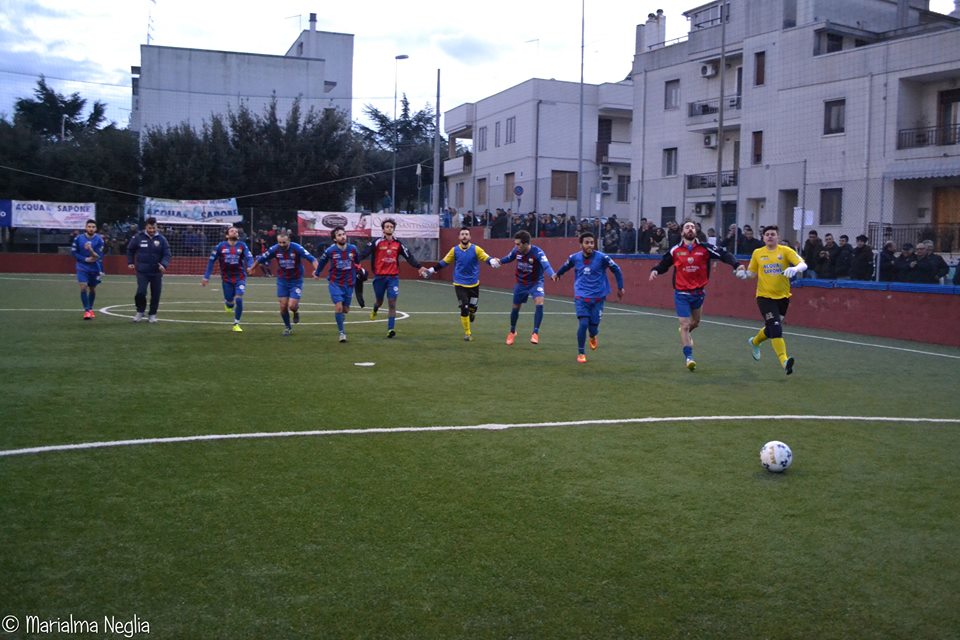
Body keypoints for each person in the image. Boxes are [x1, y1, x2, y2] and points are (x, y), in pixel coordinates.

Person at [649, 219, 743, 371]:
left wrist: (736, 265)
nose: (690, 229)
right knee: (685, 324)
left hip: (698, 293)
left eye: (692, 227)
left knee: (696, 322)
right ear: (682, 232)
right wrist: (655, 270)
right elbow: (664, 264)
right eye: (687, 227)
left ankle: (684, 332)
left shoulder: (705, 248)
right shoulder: (675, 250)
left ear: (696, 231)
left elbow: (723, 254)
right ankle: (689, 357)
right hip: (681, 293)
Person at [739, 225, 807, 375]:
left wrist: (795, 269)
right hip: (764, 297)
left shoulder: (785, 251)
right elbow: (751, 273)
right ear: (763, 238)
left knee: (771, 328)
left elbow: (803, 264)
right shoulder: (758, 253)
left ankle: (755, 342)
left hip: (783, 297)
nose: (770, 236)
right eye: (767, 234)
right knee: (776, 328)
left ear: (778, 237)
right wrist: (743, 275)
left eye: (773, 234)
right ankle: (784, 362)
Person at [551, 231, 624, 363]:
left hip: (598, 298)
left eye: (592, 242)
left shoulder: (602, 258)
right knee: (583, 323)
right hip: (581, 296)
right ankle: (581, 353)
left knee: (593, 327)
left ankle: (593, 335)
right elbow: (566, 266)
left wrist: (620, 287)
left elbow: (616, 269)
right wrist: (558, 274)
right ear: (581, 245)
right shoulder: (574, 258)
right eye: (587, 243)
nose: (590, 245)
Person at [422, 227, 500, 341]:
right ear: (459, 237)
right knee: (464, 307)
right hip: (459, 284)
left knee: (472, 308)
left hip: (473, 284)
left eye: (466, 234)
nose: (464, 236)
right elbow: (444, 262)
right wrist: (431, 270)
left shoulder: (476, 249)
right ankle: (467, 333)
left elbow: (486, 257)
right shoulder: (454, 250)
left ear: (470, 237)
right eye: (462, 234)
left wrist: (493, 261)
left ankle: (472, 312)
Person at [361, 218, 427, 338]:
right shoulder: (376, 243)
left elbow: (409, 257)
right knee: (379, 301)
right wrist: (355, 261)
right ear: (383, 229)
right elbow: (364, 253)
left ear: (394, 229)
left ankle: (390, 329)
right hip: (379, 277)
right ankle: (375, 309)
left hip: (393, 278)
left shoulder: (398, 244)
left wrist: (419, 266)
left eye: (391, 227)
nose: (389, 228)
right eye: (387, 227)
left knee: (392, 302)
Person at [249, 231, 319, 336]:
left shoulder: (297, 248)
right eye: (280, 243)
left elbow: (312, 259)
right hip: (282, 280)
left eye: (284, 243)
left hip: (296, 280)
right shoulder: (274, 249)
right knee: (283, 306)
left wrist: (316, 272)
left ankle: (295, 311)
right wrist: (251, 268)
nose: (282, 245)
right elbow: (261, 259)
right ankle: (287, 327)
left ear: (289, 241)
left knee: (292, 305)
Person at [499, 230, 556, 345]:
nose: (516, 246)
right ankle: (512, 331)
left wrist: (552, 274)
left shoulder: (538, 252)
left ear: (526, 244)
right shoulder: (516, 251)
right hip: (521, 283)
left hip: (536, 282)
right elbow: (509, 258)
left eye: (518, 244)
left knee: (539, 302)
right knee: (516, 307)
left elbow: (546, 265)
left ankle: (535, 333)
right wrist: (499, 261)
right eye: (515, 244)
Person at [314, 226, 363, 343]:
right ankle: (342, 333)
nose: (342, 236)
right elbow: (322, 262)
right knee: (339, 307)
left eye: (343, 234)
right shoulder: (330, 251)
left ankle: (341, 316)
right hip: (335, 282)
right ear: (335, 239)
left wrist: (359, 270)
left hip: (349, 283)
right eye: (339, 235)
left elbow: (357, 262)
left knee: (345, 309)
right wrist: (317, 273)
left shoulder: (353, 249)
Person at [202, 225, 254, 332]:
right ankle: (228, 304)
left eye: (236, 231)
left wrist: (250, 266)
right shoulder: (220, 246)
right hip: (226, 278)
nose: (235, 232)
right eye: (232, 231)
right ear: (227, 235)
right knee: (230, 301)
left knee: (239, 298)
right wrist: (206, 276)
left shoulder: (242, 246)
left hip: (240, 277)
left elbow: (249, 257)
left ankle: (236, 324)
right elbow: (211, 261)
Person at [126, 216, 171, 323]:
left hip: (156, 272)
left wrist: (164, 265)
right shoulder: (138, 237)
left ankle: (152, 314)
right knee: (141, 292)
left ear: (156, 227)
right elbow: (130, 250)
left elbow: (167, 254)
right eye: (150, 228)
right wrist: (130, 262)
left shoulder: (162, 239)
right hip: (142, 271)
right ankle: (140, 311)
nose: (151, 230)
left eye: (153, 228)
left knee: (156, 294)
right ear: (146, 227)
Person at [71, 218, 105, 320]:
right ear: (86, 228)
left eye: (93, 227)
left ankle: (90, 308)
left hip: (94, 267)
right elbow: (73, 253)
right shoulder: (78, 239)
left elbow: (98, 256)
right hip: (82, 266)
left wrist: (90, 250)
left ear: (96, 228)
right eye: (89, 227)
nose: (91, 228)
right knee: (83, 287)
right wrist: (85, 259)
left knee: (92, 289)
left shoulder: (99, 240)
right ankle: (86, 311)